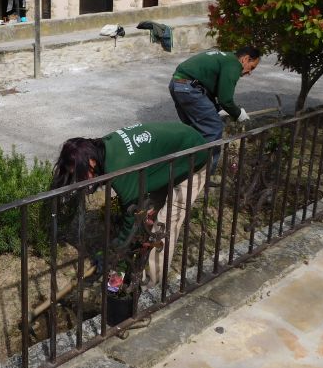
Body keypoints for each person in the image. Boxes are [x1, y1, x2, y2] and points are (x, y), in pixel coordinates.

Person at [52, 122, 209, 287]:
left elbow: (132, 218)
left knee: (163, 225)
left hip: (193, 155)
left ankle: (150, 285)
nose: (80, 180)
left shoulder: (120, 169)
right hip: (169, 156)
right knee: (148, 218)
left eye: (80, 174)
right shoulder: (101, 148)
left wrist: (115, 251)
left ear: (91, 162)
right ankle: (135, 273)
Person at [169, 47, 261, 167]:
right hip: (188, 87)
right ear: (245, 59)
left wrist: (218, 109)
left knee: (194, 131)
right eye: (252, 67)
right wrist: (239, 114)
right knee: (213, 128)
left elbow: (209, 88)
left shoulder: (225, 58)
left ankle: (184, 174)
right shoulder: (234, 64)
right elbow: (225, 99)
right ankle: (204, 177)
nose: (249, 72)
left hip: (177, 84)